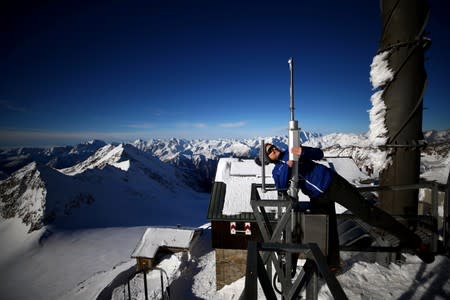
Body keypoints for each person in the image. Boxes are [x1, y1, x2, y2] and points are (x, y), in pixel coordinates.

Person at [256, 142, 435, 269]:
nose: (274, 149)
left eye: (273, 146)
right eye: (269, 150)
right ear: (267, 159)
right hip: (317, 196)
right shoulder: (277, 170)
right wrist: (288, 167)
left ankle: (415, 243)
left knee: (369, 214)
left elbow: (319, 154)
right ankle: (332, 265)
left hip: (333, 183)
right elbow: (281, 185)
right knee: (327, 228)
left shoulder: (292, 150)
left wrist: (303, 151)